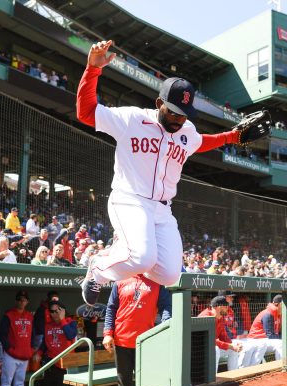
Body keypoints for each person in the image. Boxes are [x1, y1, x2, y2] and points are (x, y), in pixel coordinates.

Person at [77, 40, 247, 305]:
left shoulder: (187, 131)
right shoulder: (132, 119)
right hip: (129, 199)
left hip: (162, 210)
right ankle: (98, 269)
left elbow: (202, 142)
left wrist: (232, 137)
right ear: (159, 103)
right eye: (175, 112)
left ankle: (124, 250)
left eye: (185, 114)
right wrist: (92, 70)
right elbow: (87, 112)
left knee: (169, 275)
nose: (180, 119)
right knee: (142, 257)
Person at [103, 275, 171, 386]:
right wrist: (108, 333)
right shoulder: (120, 280)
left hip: (146, 343)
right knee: (124, 385)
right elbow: (111, 308)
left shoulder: (158, 282)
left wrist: (167, 324)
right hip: (122, 341)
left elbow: (166, 307)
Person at [34, 300, 76, 386]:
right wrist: (39, 353)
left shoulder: (70, 322)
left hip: (65, 365)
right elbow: (45, 342)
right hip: (50, 363)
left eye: (57, 311)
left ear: (63, 311)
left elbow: (70, 335)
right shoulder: (48, 325)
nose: (54, 314)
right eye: (52, 311)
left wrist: (62, 320)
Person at [0, 290, 36, 386]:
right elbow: (2, 334)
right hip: (11, 356)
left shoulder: (30, 316)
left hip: (24, 356)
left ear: (27, 302)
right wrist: (9, 349)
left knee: (20, 383)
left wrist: (31, 350)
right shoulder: (9, 315)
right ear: (16, 301)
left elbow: (33, 334)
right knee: (6, 383)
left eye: (24, 300)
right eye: (19, 300)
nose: (21, 302)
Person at [197, 296, 251, 372]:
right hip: (199, 350)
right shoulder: (206, 317)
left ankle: (233, 374)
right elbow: (210, 341)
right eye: (226, 306)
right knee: (215, 349)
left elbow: (223, 336)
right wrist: (230, 346)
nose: (227, 308)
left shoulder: (220, 317)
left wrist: (233, 345)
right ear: (218, 307)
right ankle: (213, 379)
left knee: (233, 349)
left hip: (210, 346)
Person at [247, 295, 287, 363]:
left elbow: (280, 333)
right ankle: (282, 366)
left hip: (267, 340)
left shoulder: (279, 314)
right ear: (278, 304)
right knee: (281, 344)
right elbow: (270, 335)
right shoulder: (268, 314)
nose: (286, 307)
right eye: (284, 305)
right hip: (257, 340)